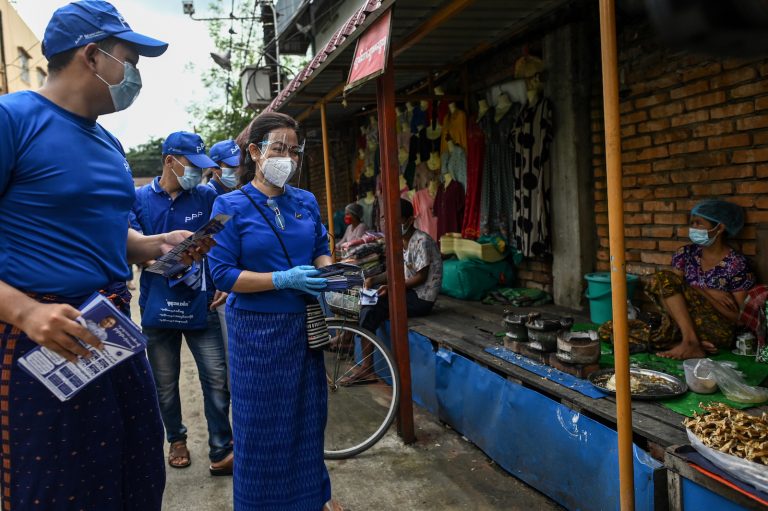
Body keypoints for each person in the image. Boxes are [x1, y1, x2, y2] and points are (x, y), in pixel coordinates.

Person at [0, 1, 213, 509]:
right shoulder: (13, 121)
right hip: (44, 340)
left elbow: (103, 231)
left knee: (134, 472)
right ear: (92, 56)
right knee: (58, 487)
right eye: (129, 58)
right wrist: (25, 311)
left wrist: (150, 246)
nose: (135, 73)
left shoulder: (108, 142)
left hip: (113, 330)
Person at [207, 112, 344, 511]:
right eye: (279, 148)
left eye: (294, 150)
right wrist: (281, 280)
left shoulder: (306, 200)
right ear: (255, 151)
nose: (288, 157)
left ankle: (310, 500)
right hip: (256, 334)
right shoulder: (226, 204)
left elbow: (320, 246)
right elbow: (221, 272)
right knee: (261, 428)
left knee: (306, 421)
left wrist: (330, 277)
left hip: (304, 328)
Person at [131, 131, 234, 475]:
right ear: (169, 161)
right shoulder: (139, 199)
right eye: (192, 166)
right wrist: (170, 262)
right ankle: (176, 439)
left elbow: (224, 244)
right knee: (164, 383)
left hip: (202, 304)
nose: (197, 174)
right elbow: (134, 250)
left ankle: (222, 448)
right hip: (158, 307)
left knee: (217, 378)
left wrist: (223, 281)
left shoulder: (206, 197)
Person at [348, 199, 443, 382]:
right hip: (407, 292)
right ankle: (347, 342)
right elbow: (393, 272)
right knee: (366, 298)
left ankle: (367, 368)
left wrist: (391, 288)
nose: (391, 225)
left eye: (397, 221)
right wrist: (373, 280)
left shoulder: (422, 241)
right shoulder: (399, 242)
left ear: (409, 220)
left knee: (372, 306)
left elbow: (420, 277)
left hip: (421, 298)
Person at [648, 199, 755, 360]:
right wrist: (706, 290)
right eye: (692, 223)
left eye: (699, 223)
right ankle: (693, 342)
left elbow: (740, 319)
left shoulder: (736, 264)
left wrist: (702, 292)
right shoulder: (685, 254)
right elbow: (669, 294)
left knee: (663, 277)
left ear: (719, 227)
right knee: (613, 330)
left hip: (717, 330)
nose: (693, 228)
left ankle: (689, 343)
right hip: (683, 325)